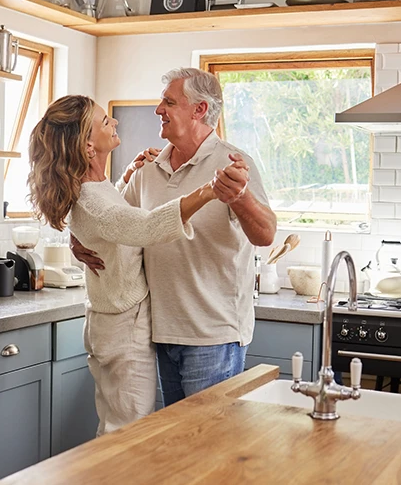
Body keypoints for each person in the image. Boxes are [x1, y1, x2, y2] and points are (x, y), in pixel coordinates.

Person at [27, 94, 236, 435]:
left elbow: (112, 222)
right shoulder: (91, 199)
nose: (116, 122)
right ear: (88, 145)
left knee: (118, 426)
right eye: (105, 122)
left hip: (113, 321)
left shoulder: (96, 186)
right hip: (122, 328)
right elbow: (143, 227)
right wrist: (208, 190)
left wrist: (126, 177)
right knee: (127, 433)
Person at [73, 68, 277, 406]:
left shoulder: (233, 163)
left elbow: (266, 234)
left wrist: (240, 197)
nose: (158, 110)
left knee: (208, 447)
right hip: (160, 332)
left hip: (213, 336)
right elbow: (117, 227)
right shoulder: (148, 170)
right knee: (178, 447)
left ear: (199, 110)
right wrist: (78, 240)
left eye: (169, 102)